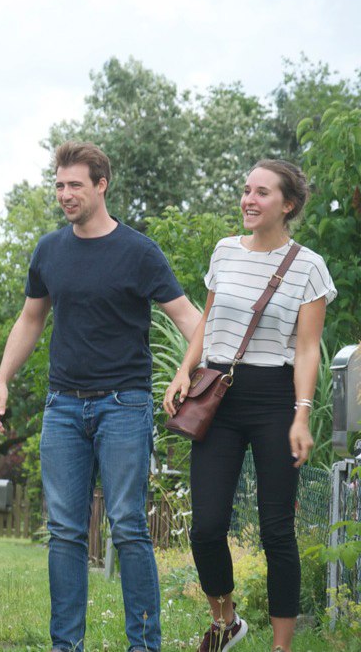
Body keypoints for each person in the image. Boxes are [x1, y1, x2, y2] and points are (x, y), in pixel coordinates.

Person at [0, 141, 201, 652]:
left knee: (126, 525)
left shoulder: (139, 252)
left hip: (123, 405)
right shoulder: (49, 250)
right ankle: (66, 646)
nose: (65, 194)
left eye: (75, 185)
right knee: (63, 530)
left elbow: (191, 318)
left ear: (102, 185)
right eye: (59, 185)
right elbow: (31, 319)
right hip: (62, 407)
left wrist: (189, 373)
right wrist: (1, 379)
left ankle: (144, 645)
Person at [164, 160, 334, 652]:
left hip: (275, 399)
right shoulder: (223, 252)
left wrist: (302, 413)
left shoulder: (309, 266)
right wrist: (182, 370)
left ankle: (281, 646)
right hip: (218, 393)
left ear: (288, 205)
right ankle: (226, 617)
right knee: (207, 526)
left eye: (262, 193)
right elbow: (208, 321)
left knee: (276, 528)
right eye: (246, 190)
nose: (249, 200)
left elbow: (306, 350)